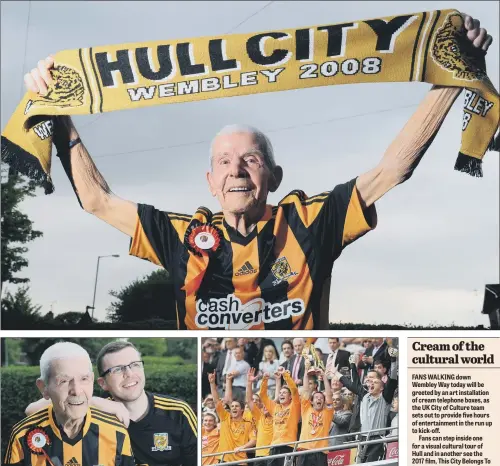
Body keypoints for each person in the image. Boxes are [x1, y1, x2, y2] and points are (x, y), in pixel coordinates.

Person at [23, 14, 492, 330]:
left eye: (251, 158)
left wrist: (451, 77)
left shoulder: (311, 221)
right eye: (224, 162)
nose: (237, 170)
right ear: (210, 182)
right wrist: (57, 111)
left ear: (274, 175)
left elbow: (393, 168)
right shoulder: (182, 235)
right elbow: (96, 200)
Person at [24, 340, 198, 466]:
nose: (129, 374)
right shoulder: (91, 411)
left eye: (134, 365)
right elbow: (31, 410)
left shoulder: (178, 412)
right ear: (102, 383)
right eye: (117, 369)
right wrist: (91, 400)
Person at [4, 342, 135, 466]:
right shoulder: (21, 436)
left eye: (84, 379)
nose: (77, 391)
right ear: (44, 387)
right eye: (64, 381)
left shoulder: (117, 433)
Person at [208, 372, 256, 466]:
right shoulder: (225, 418)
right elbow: (217, 401)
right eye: (232, 406)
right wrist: (212, 383)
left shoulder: (248, 423)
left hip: (240, 462)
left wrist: (242, 447)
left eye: (237, 406)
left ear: (242, 410)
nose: (234, 408)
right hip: (224, 460)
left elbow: (254, 440)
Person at [296, 359, 335, 466]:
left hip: (320, 452)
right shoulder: (306, 409)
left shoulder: (327, 413)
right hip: (304, 450)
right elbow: (306, 390)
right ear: (311, 401)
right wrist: (306, 372)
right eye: (316, 397)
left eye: (321, 398)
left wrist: (323, 376)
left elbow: (328, 394)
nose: (319, 399)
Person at [260, 367, 301, 466]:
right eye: (280, 392)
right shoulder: (275, 407)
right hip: (273, 446)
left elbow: (295, 391)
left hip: (288, 445)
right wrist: (264, 380)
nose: (281, 394)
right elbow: (263, 396)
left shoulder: (294, 406)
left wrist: (285, 376)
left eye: (284, 393)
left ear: (290, 397)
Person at [247, 368, 274, 466]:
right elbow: (249, 401)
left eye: (269, 405)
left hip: (272, 454)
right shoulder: (260, 416)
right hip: (259, 454)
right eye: (264, 405)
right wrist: (249, 383)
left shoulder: (277, 416)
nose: (266, 407)